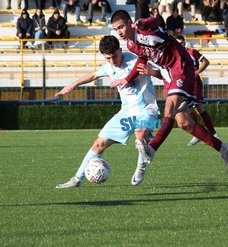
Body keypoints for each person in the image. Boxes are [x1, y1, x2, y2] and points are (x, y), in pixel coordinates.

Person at [110, 10, 228, 173]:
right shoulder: (131, 45)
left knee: (169, 109)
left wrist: (144, 23)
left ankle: (152, 149)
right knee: (184, 123)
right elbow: (143, 57)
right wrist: (127, 79)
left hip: (181, 65)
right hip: (168, 73)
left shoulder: (144, 27)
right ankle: (225, 148)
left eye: (121, 27)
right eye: (116, 29)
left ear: (130, 23)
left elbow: (157, 21)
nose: (119, 32)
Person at [55, 35, 160, 188]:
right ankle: (77, 179)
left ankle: (141, 167)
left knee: (140, 134)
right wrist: (73, 84)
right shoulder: (109, 66)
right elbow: (93, 75)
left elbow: (160, 73)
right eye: (108, 58)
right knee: (99, 144)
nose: (112, 61)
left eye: (114, 56)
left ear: (121, 50)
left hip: (148, 110)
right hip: (126, 114)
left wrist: (151, 72)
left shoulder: (135, 60)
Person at [175, 35, 220, 146]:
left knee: (198, 107)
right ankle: (197, 134)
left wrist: (196, 72)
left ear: (184, 43)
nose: (180, 44)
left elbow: (206, 62)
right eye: (178, 43)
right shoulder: (176, 56)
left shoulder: (191, 52)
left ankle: (213, 134)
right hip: (184, 84)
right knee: (188, 109)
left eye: (181, 43)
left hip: (194, 84)